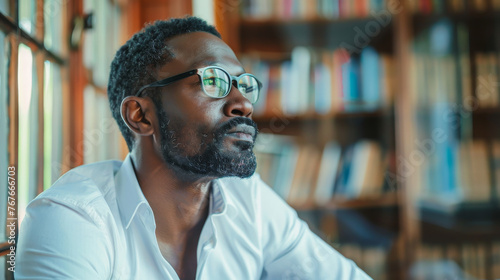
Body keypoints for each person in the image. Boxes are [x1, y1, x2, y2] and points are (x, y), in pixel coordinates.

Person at [16, 17, 371, 279]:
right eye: (213, 81)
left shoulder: (248, 200)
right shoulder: (72, 219)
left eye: (244, 85)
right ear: (141, 115)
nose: (243, 104)